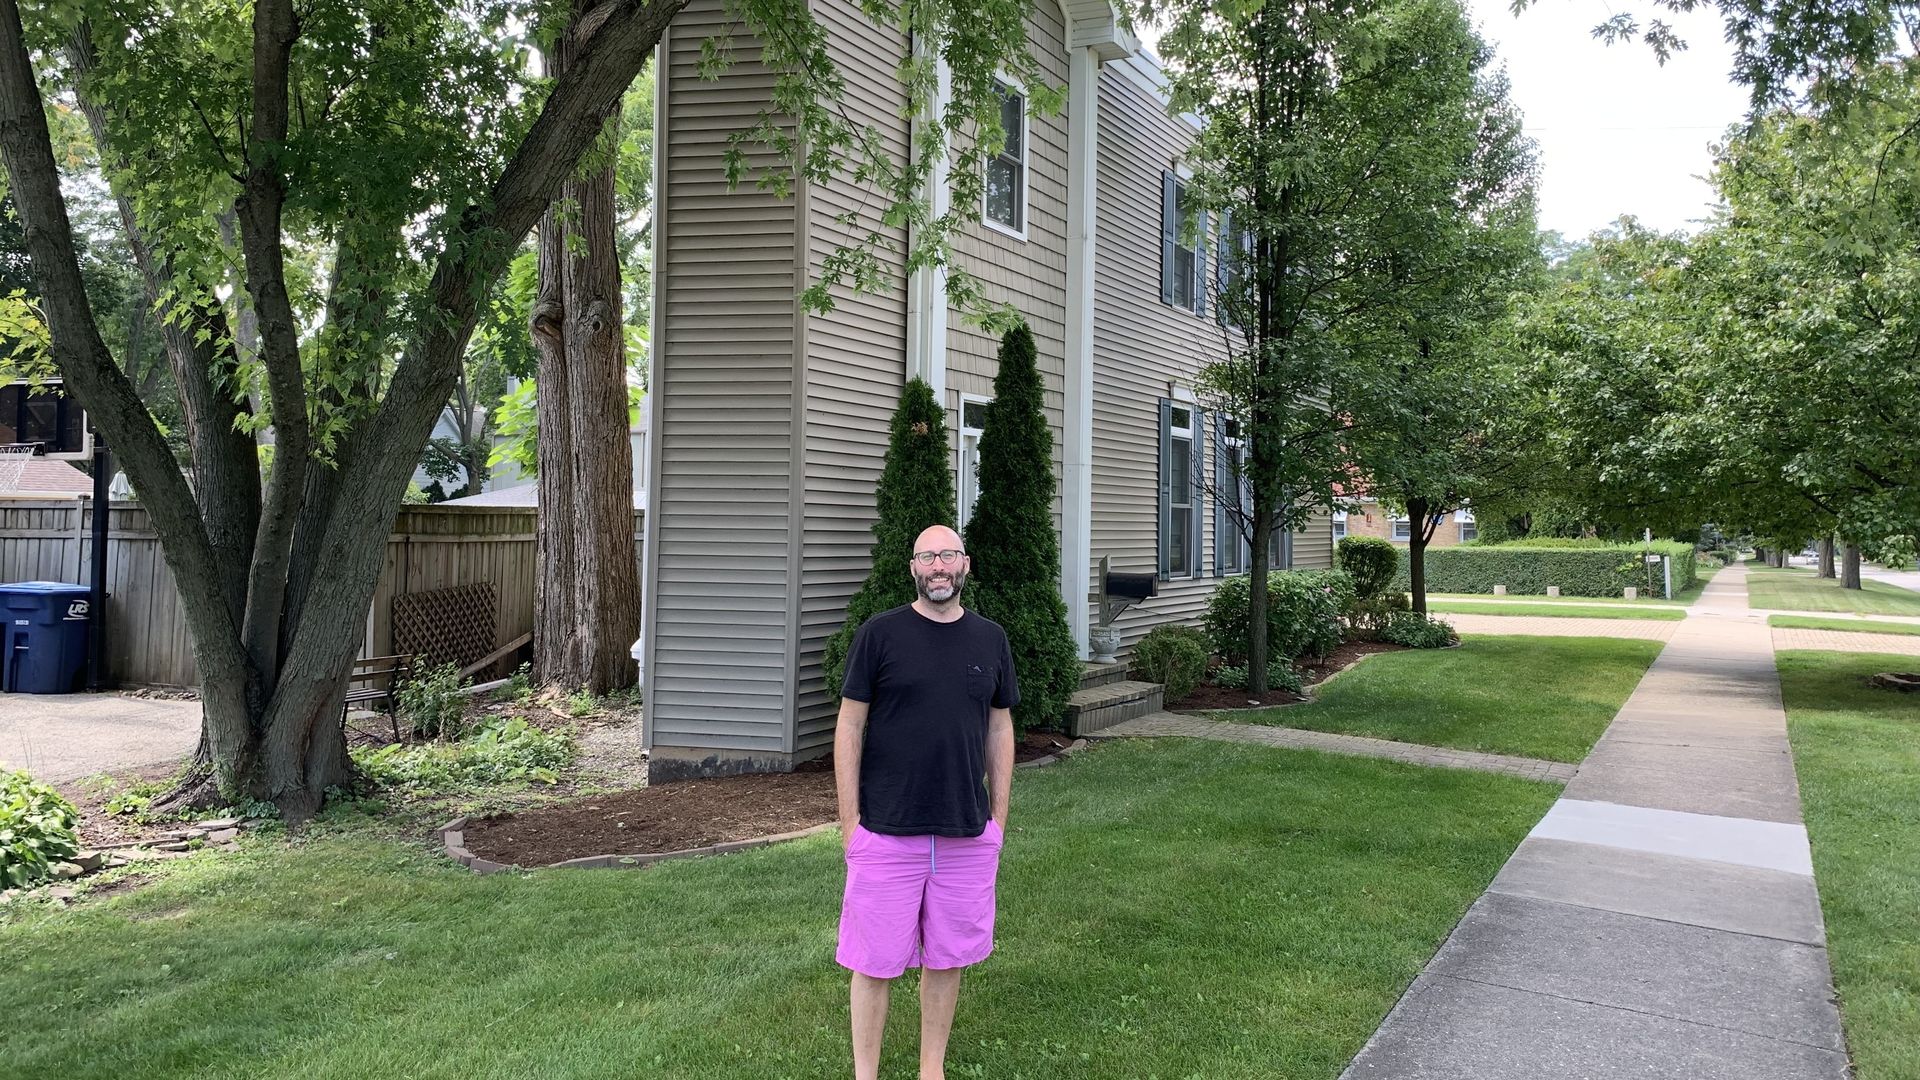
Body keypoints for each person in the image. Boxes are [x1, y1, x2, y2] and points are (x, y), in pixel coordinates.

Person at [833, 523, 1018, 1080]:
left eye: (948, 555)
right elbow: (849, 727)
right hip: (888, 831)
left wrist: (998, 822)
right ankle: (866, 1074)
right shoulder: (880, 634)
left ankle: (929, 1070)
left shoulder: (991, 639)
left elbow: (1000, 728)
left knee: (949, 958)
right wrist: (850, 826)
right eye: (927, 556)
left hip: (965, 833)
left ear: (965, 565)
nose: (938, 566)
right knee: (874, 962)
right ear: (913, 568)